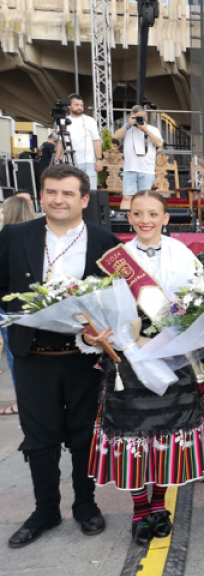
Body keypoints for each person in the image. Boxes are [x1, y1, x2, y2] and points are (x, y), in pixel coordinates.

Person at [0, 165, 120, 548]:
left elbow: (116, 300)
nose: (58, 199)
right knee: (40, 438)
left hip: (83, 357)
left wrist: (101, 328)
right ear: (41, 195)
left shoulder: (104, 240)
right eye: (51, 192)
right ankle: (45, 510)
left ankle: (85, 505)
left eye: (68, 193)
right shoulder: (16, 235)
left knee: (85, 435)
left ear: (84, 199)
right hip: (32, 354)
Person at [84, 191, 204, 546]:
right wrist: (96, 333)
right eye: (137, 214)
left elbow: (199, 303)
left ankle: (159, 506)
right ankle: (140, 511)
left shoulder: (183, 254)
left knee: (168, 436)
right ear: (129, 217)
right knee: (133, 436)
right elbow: (99, 308)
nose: (145, 220)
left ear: (166, 217)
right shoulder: (114, 260)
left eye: (153, 213)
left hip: (175, 357)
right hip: (129, 360)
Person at [0, 195, 37, 415]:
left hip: (9, 305)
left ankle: (22, 400)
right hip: (36, 302)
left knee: (15, 353)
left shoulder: (5, 238)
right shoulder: (39, 238)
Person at [113, 106, 164, 211]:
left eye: (139, 117)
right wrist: (128, 125)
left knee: (144, 198)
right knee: (127, 197)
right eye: (134, 117)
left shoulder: (153, 129)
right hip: (130, 168)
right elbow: (116, 137)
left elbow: (159, 143)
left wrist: (146, 130)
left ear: (145, 117)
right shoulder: (127, 128)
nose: (136, 120)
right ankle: (125, 223)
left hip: (147, 169)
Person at [54, 94, 103, 190]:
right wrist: (56, 160)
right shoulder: (63, 121)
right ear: (69, 106)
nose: (80, 107)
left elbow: (96, 141)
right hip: (69, 163)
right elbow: (60, 143)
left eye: (81, 105)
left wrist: (99, 160)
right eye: (76, 105)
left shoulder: (90, 121)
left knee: (90, 191)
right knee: (70, 191)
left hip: (88, 162)